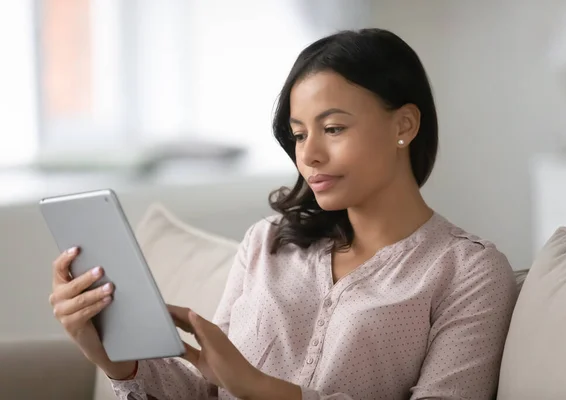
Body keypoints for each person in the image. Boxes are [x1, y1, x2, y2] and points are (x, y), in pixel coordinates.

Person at [49, 28, 517, 400]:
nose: (308, 155)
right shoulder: (268, 242)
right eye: (297, 134)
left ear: (405, 125)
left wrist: (263, 390)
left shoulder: (468, 272)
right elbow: (206, 390)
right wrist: (115, 358)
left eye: (332, 128)